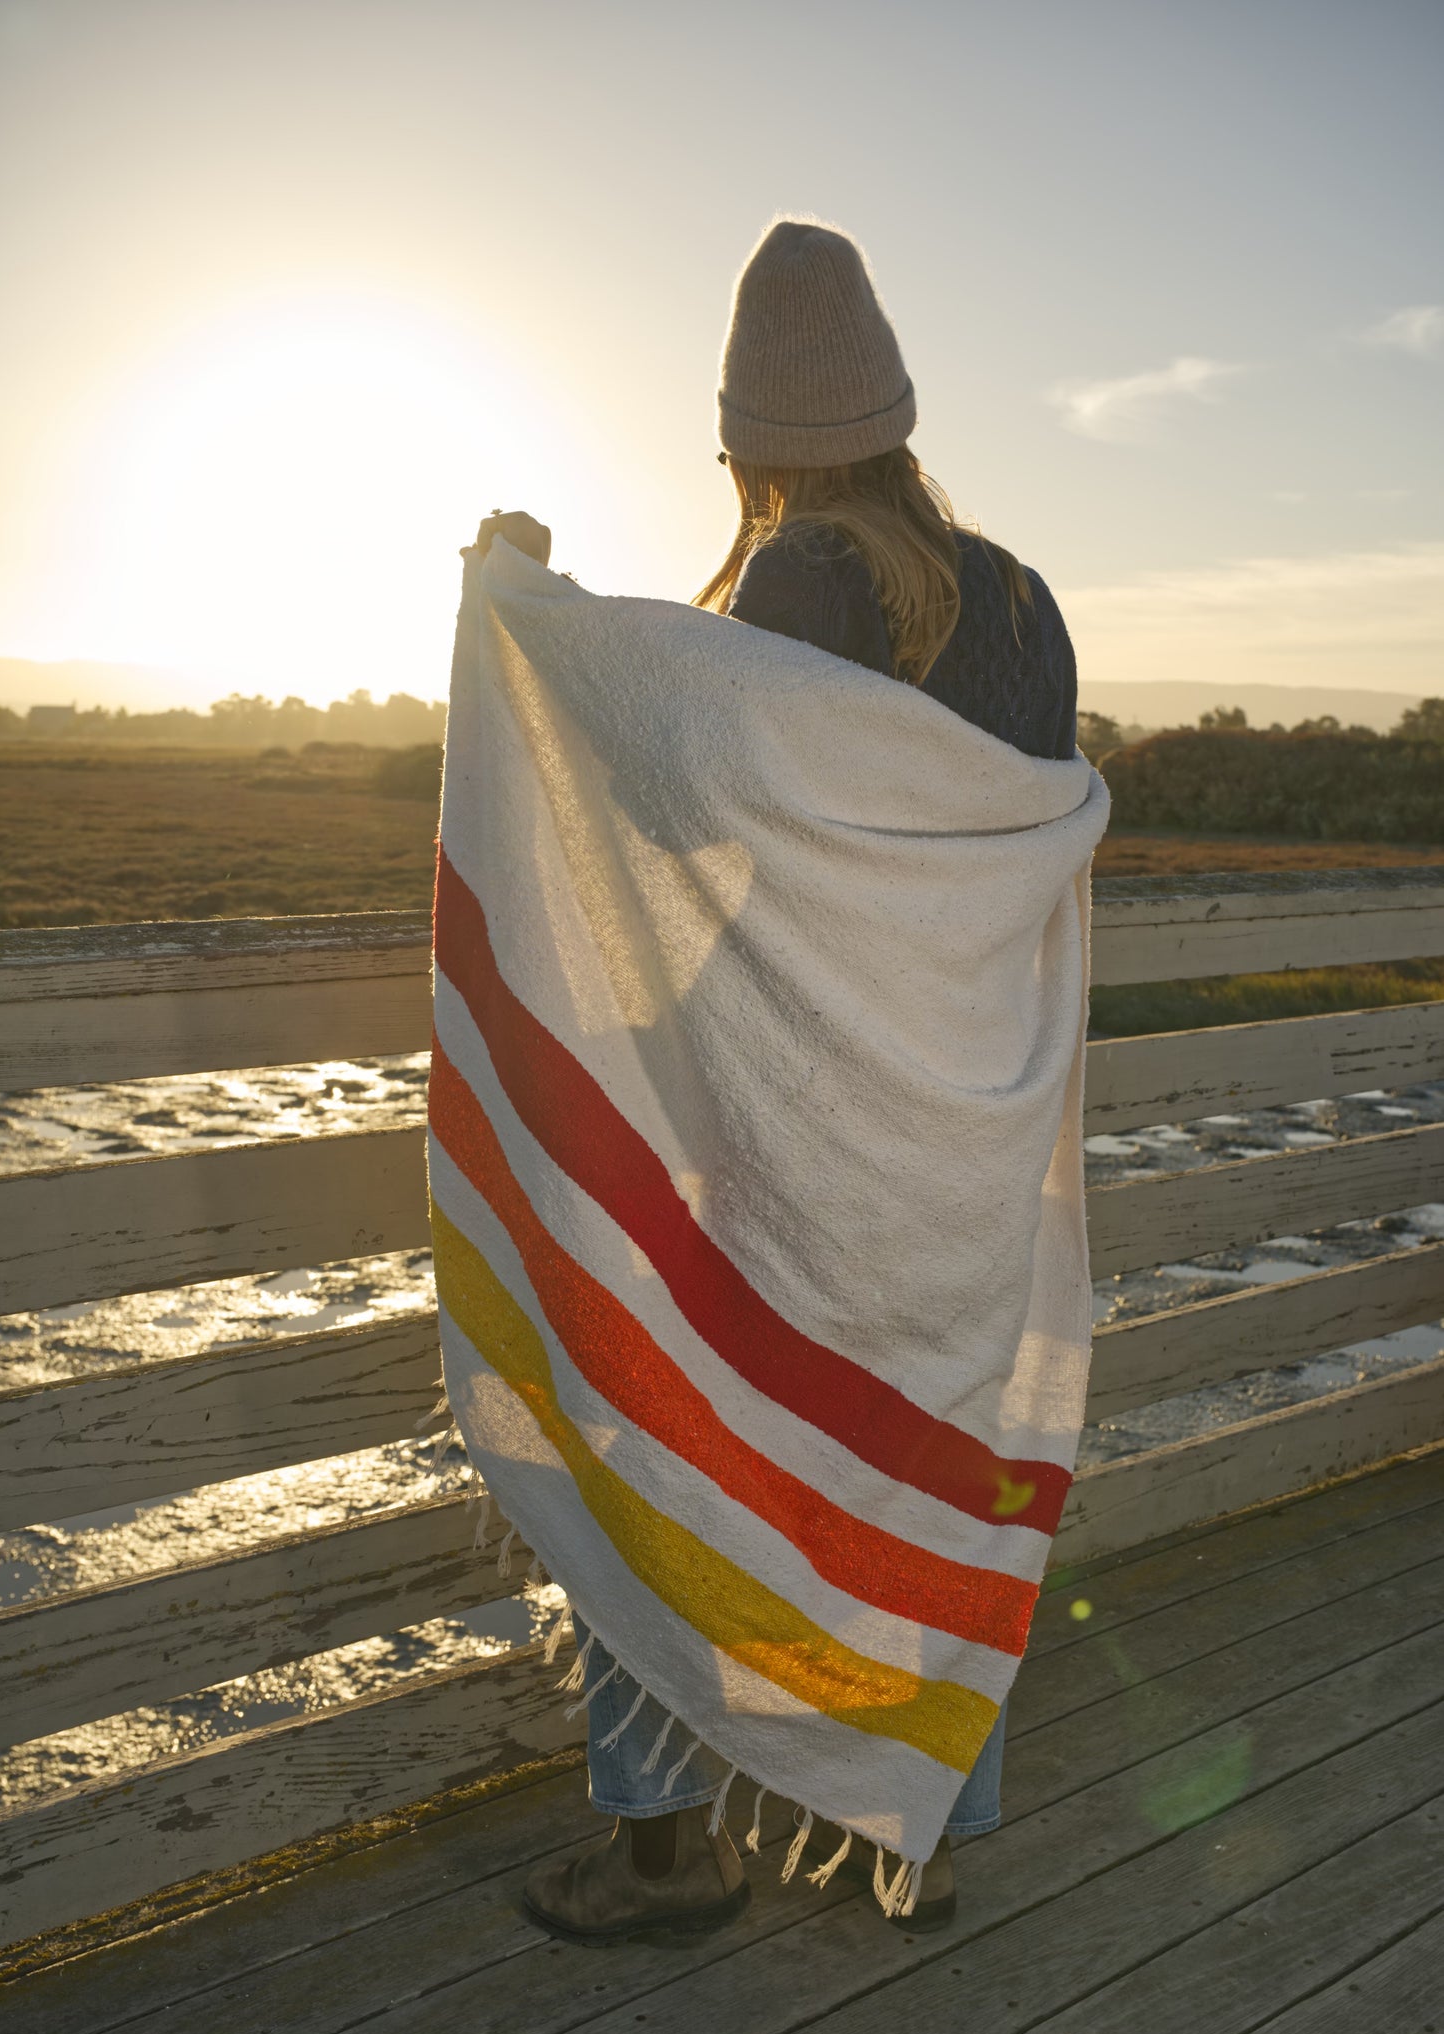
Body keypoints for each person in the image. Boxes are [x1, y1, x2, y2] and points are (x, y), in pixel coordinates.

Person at [470, 218, 1081, 1944]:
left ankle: (667, 1845)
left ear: (744, 439)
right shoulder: (1020, 599)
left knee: (660, 1423)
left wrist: (527, 619)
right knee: (927, 1456)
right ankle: (917, 1827)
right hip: (958, 1128)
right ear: (893, 415)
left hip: (797, 1134)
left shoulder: (790, 587)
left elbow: (663, 814)